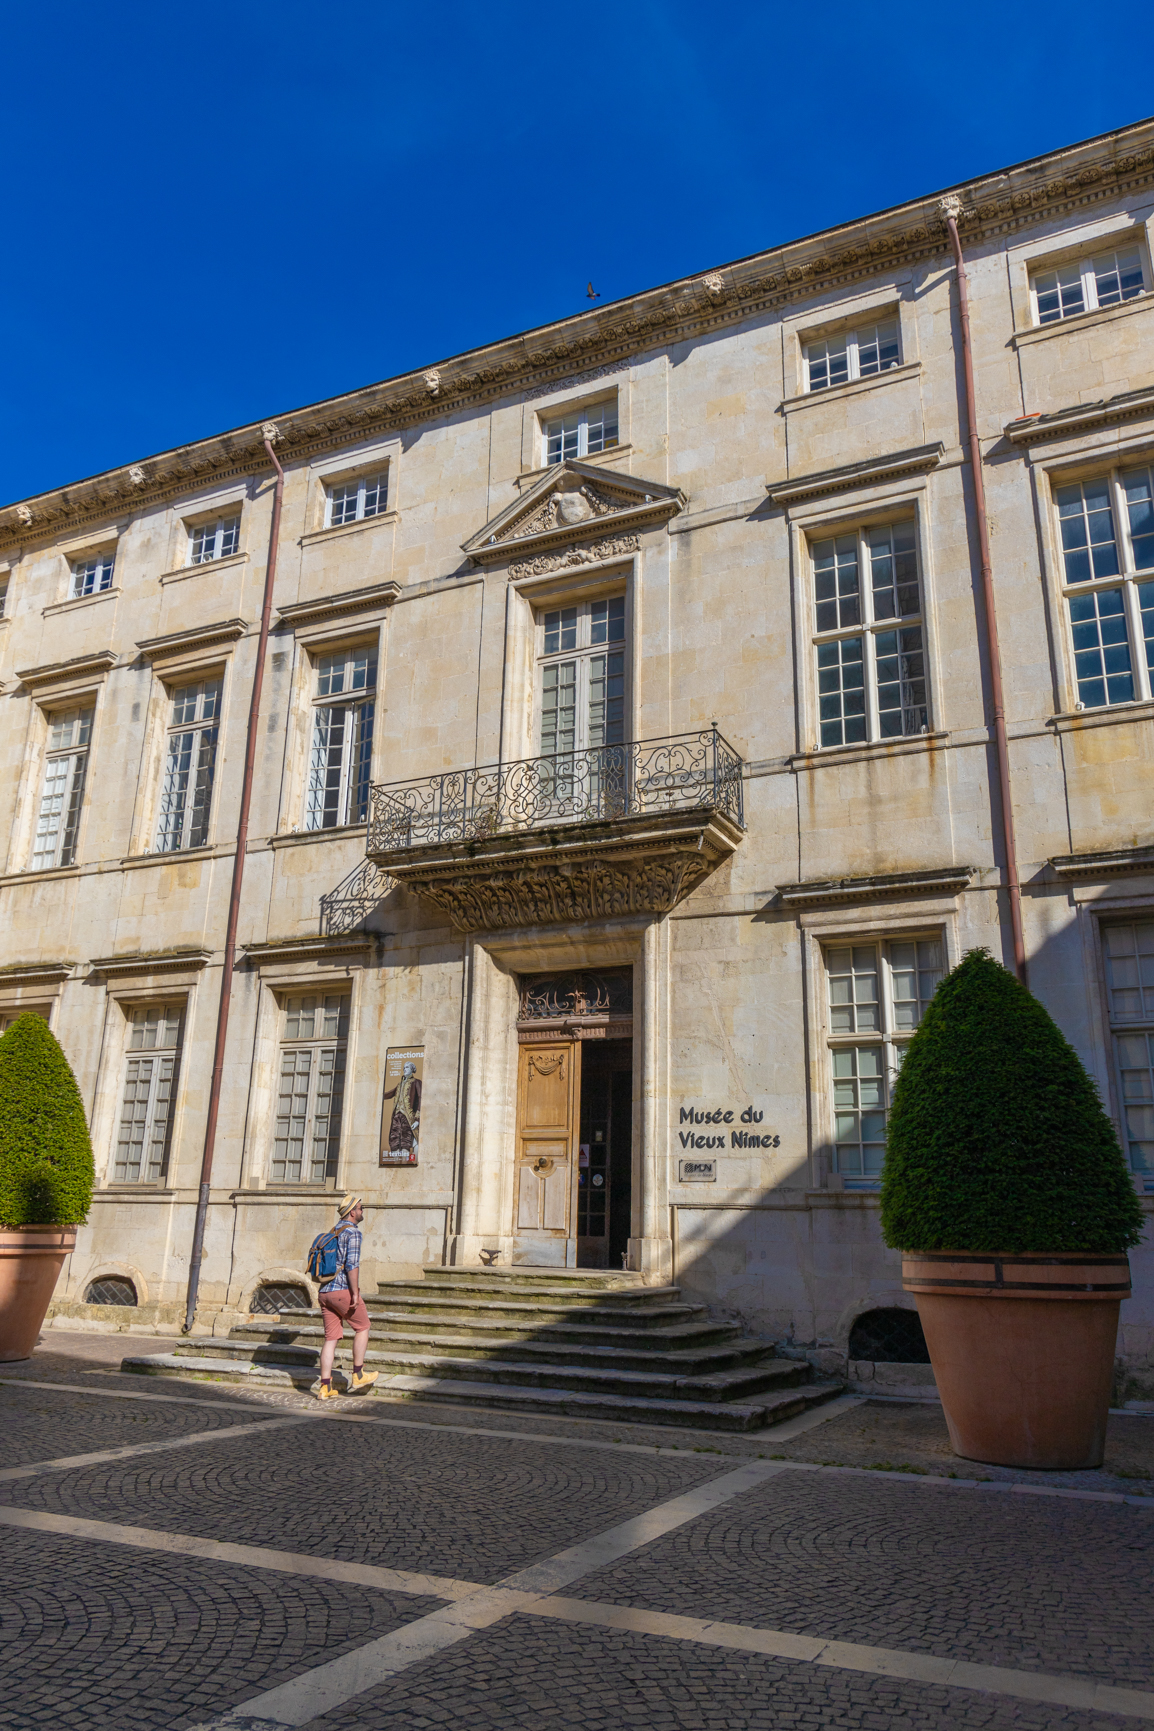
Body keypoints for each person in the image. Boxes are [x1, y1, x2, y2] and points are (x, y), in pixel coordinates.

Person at [316, 1193, 378, 1401]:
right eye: (360, 1208)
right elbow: (352, 1265)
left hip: (324, 1291)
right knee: (363, 1326)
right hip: (341, 1289)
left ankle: (325, 1387)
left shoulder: (334, 1230)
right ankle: (358, 1374)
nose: (362, 1211)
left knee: (330, 1338)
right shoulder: (353, 1233)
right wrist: (355, 1292)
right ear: (352, 1212)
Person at [382, 1061, 421, 1160]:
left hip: (408, 1116)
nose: (405, 1069)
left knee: (406, 1140)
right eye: (404, 1067)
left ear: (412, 1069)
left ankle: (405, 1161)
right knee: (394, 1139)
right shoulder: (400, 1084)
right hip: (397, 1115)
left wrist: (417, 1119)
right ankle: (396, 1161)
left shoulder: (416, 1082)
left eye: (407, 1067)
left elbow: (420, 1098)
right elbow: (390, 1093)